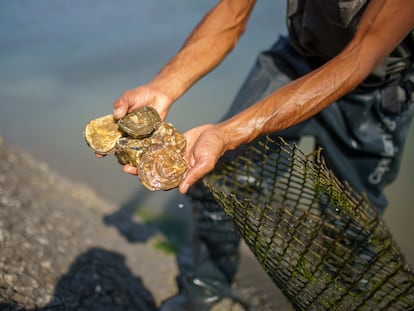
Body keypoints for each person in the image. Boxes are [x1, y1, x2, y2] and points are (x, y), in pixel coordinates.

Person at [108, 0, 414, 310]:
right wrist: (165, 85)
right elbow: (231, 13)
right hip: (295, 61)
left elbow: (360, 56)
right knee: (217, 175)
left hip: (374, 89)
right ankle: (204, 295)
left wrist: (230, 132)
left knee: (349, 222)